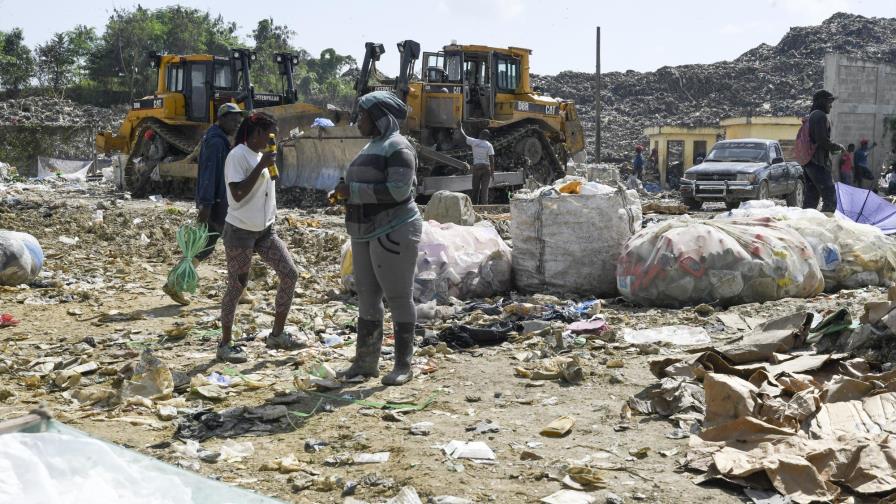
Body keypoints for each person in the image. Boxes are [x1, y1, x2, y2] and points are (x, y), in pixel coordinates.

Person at [332, 91, 422, 386]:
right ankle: (365, 363)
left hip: (393, 229)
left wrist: (352, 193)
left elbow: (398, 190)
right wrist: (343, 192)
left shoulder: (398, 147)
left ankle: (403, 365)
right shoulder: (374, 145)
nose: (358, 120)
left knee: (397, 297)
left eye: (363, 115)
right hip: (365, 231)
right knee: (367, 297)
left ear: (380, 117)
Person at [217, 111, 303, 363]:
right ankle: (225, 344)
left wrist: (265, 163)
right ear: (256, 133)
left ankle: (277, 334)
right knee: (237, 286)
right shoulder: (238, 156)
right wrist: (261, 165)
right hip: (240, 230)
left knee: (290, 273)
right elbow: (238, 194)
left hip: (265, 230)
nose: (271, 139)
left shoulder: (260, 157)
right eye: (269, 134)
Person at [163, 103, 245, 306]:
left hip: (217, 203)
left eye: (239, 118)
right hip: (216, 204)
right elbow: (209, 175)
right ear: (222, 118)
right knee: (233, 245)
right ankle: (176, 283)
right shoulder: (216, 143)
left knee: (209, 245)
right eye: (234, 118)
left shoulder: (217, 139)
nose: (237, 122)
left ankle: (176, 282)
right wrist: (206, 206)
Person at [801, 89, 844, 212]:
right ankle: (826, 226)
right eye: (829, 102)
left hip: (809, 163)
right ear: (821, 102)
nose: (831, 105)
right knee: (830, 198)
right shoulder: (820, 116)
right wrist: (837, 147)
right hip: (818, 164)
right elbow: (822, 141)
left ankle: (806, 225)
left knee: (811, 199)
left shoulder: (812, 115)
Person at [456, 121, 495, 205]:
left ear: (480, 134)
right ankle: (485, 209)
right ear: (487, 137)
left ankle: (474, 208)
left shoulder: (474, 142)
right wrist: (492, 172)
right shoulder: (489, 145)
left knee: (475, 189)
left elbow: (464, 136)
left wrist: (460, 128)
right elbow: (492, 159)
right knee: (484, 191)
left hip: (477, 168)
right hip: (486, 169)